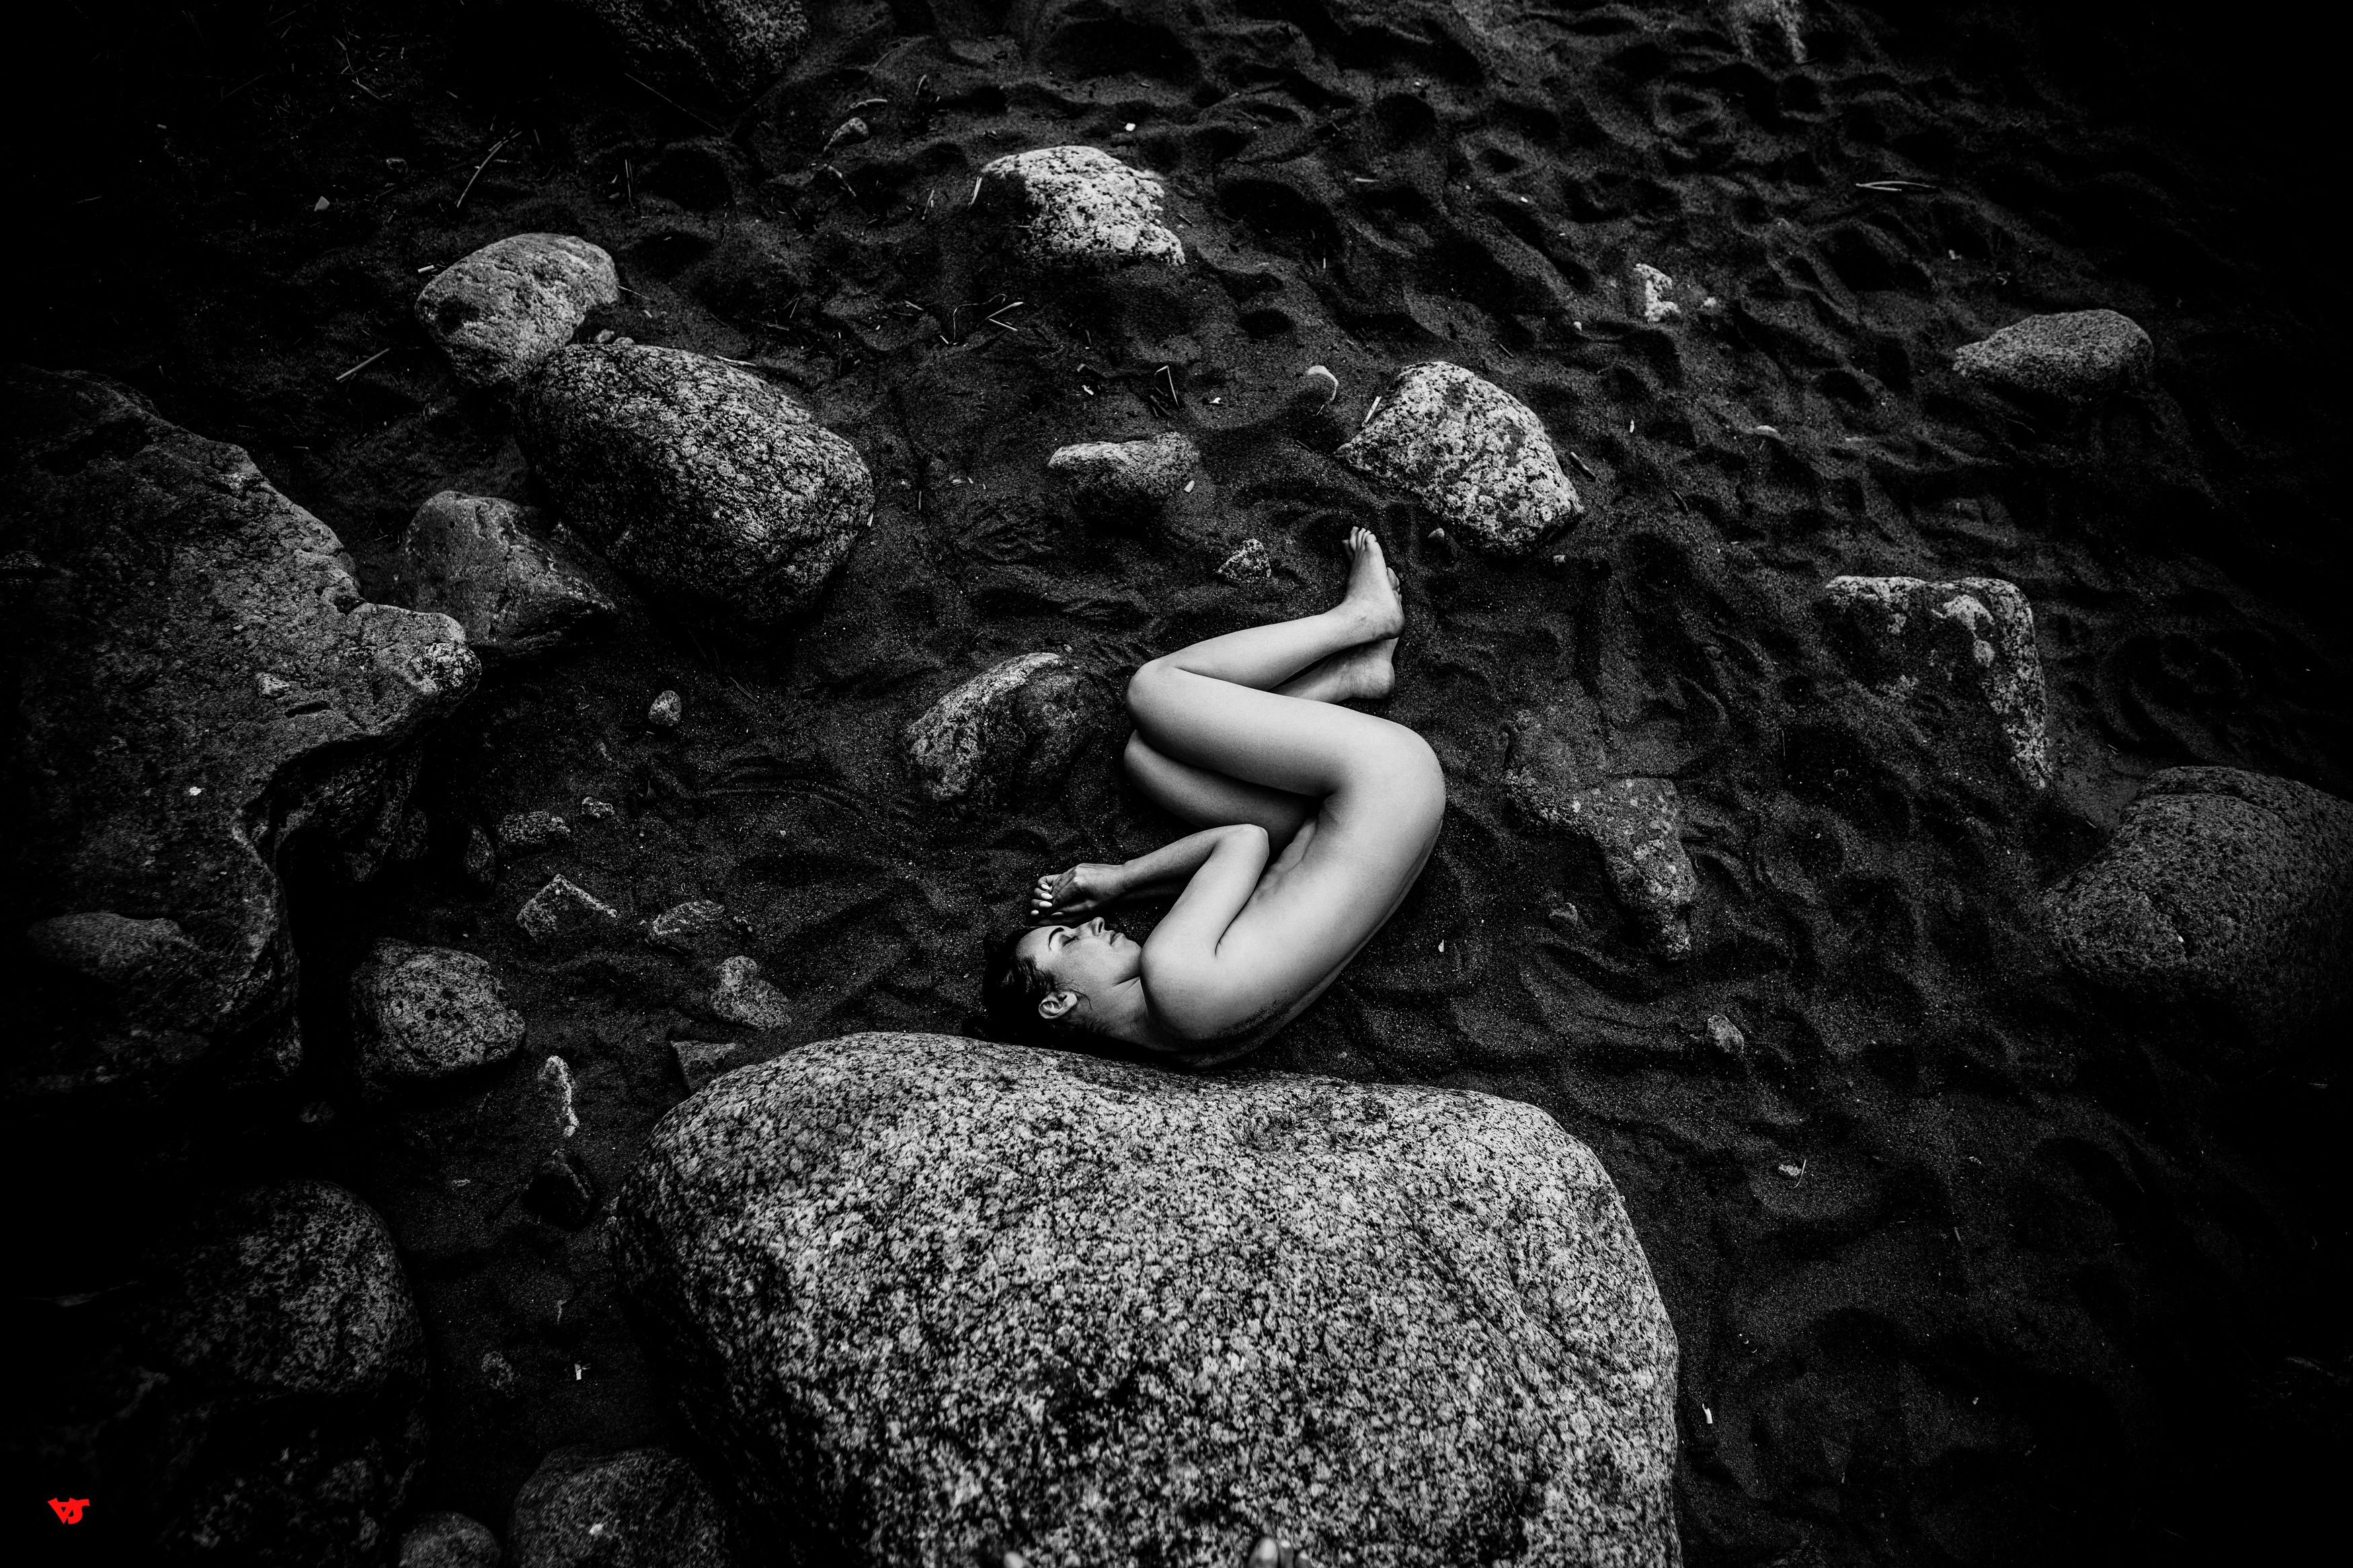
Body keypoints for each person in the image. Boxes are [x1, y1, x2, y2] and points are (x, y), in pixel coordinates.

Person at [984, 528, 1444, 1064]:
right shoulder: (1170, 975)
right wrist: (1123, 877)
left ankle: (1352, 674)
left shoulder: (1184, 1047)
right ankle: (1360, 618)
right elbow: (1243, 842)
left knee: (1145, 758)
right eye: (1066, 941)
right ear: (1058, 1003)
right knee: (1155, 690)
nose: (1090, 925)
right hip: (1387, 778)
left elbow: (1244, 874)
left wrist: (1123, 890)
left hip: (1374, 826)